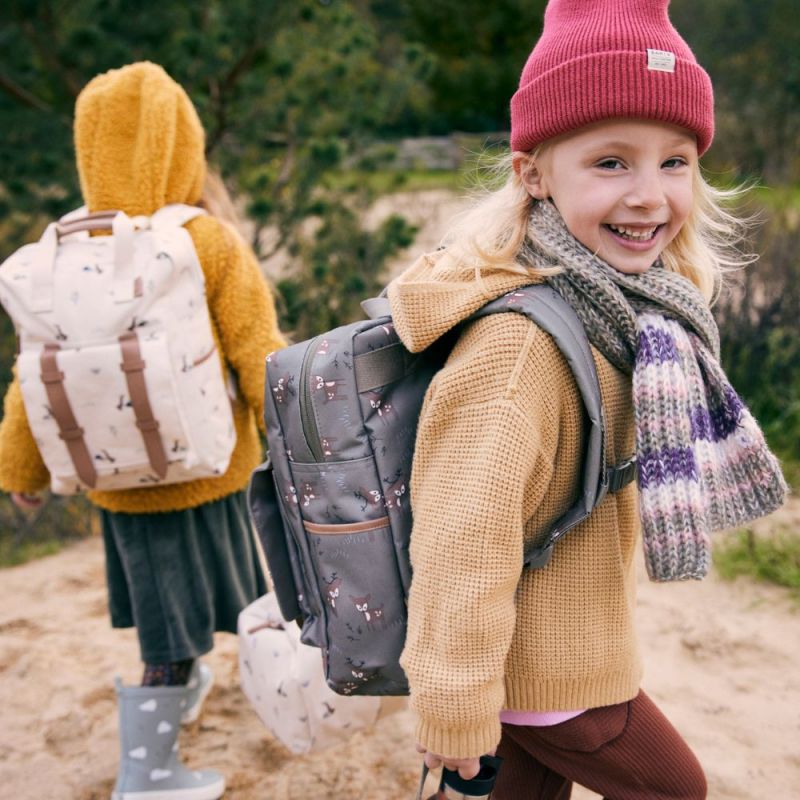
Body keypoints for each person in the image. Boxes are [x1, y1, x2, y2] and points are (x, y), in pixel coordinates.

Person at [388, 1, 787, 798]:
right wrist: (456, 707)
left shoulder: (627, 311)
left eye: (675, 162)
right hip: (552, 672)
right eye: (611, 163)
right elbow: (463, 534)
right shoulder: (521, 348)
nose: (649, 196)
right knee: (678, 789)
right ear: (532, 173)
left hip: (559, 660)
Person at [0, 62, 285, 800]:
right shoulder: (205, 240)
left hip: (120, 485)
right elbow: (258, 351)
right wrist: (295, 439)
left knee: (170, 614)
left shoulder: (66, 249)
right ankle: (148, 774)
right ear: (180, 147)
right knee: (173, 635)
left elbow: (32, 375)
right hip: (212, 468)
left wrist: (23, 472)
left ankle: (180, 691)